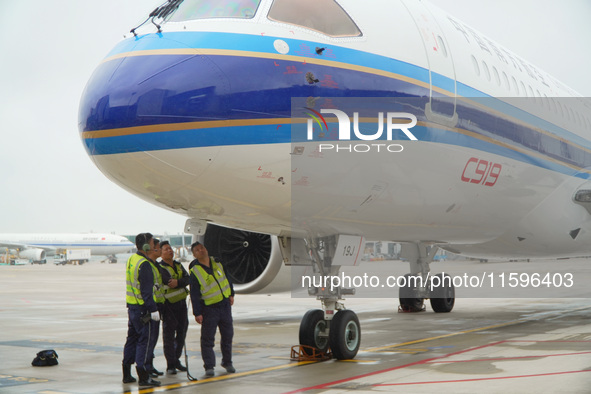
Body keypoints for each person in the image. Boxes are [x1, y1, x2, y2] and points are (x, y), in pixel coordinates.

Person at [121, 233, 165, 387]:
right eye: (153, 243)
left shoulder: (132, 259)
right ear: (146, 246)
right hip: (143, 309)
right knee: (144, 343)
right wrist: (153, 310)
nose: (154, 247)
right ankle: (144, 376)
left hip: (132, 307)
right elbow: (146, 292)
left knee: (131, 340)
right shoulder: (144, 264)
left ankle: (126, 373)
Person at [189, 241, 236, 377]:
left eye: (202, 248)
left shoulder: (218, 263)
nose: (201, 250)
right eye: (197, 250)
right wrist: (197, 312)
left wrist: (231, 294)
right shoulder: (195, 272)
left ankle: (227, 362)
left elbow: (228, 279)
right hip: (209, 309)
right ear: (194, 255)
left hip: (225, 306)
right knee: (208, 339)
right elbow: (194, 294)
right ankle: (209, 366)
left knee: (228, 336)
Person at [158, 241, 190, 374]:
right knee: (169, 336)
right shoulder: (160, 267)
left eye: (170, 249)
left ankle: (176, 359)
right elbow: (168, 282)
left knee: (182, 333)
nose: (170, 251)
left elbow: (188, 279)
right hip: (169, 306)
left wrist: (179, 282)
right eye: (166, 249)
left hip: (182, 304)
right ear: (160, 253)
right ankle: (170, 364)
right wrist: (179, 282)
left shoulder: (178, 265)